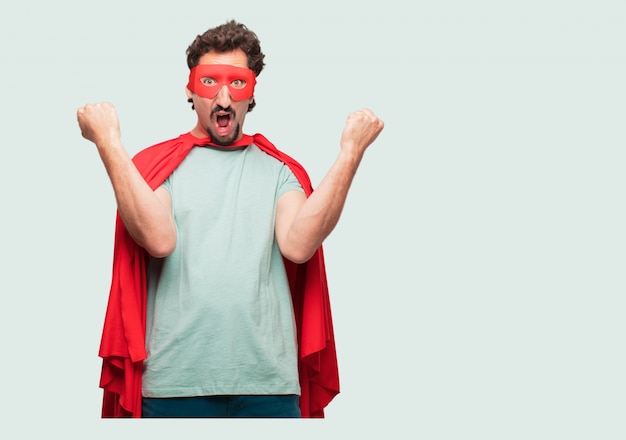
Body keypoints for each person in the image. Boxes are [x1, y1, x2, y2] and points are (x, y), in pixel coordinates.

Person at [77, 20, 384, 418]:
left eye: (237, 84)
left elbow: (298, 244)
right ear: (190, 89)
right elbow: (158, 238)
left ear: (252, 91)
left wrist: (350, 152)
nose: (223, 97)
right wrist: (109, 143)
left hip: (268, 385)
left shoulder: (280, 171)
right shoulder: (157, 168)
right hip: (175, 385)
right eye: (209, 82)